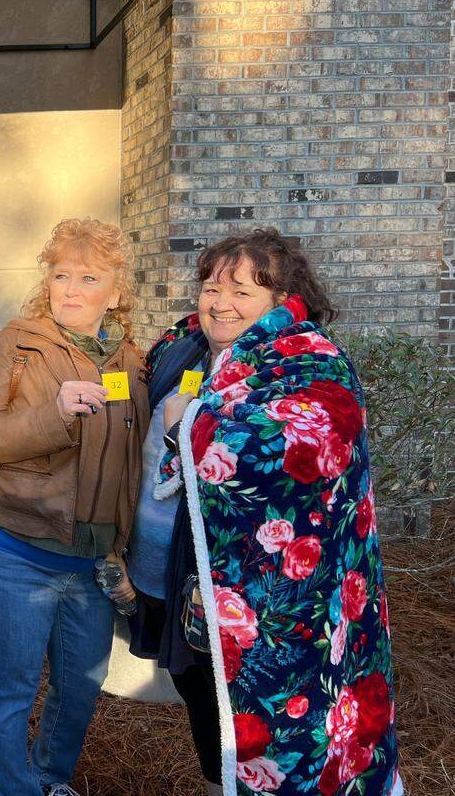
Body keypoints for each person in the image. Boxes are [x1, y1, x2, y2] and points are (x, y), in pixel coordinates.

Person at [129, 228, 401, 796]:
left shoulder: (307, 361)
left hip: (258, 602)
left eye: (241, 291)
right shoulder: (182, 344)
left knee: (263, 725)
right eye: (210, 286)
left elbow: (308, 441)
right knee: (204, 701)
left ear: (281, 300)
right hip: (177, 577)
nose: (219, 302)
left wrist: (192, 424)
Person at [0, 218, 149, 796]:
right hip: (15, 551)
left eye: (88, 276)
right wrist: (55, 414)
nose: (70, 288)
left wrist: (126, 546)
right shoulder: (14, 347)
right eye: (61, 274)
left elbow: (134, 461)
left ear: (114, 292)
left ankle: (48, 778)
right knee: (13, 688)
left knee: (81, 684)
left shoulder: (132, 361)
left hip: (91, 562)